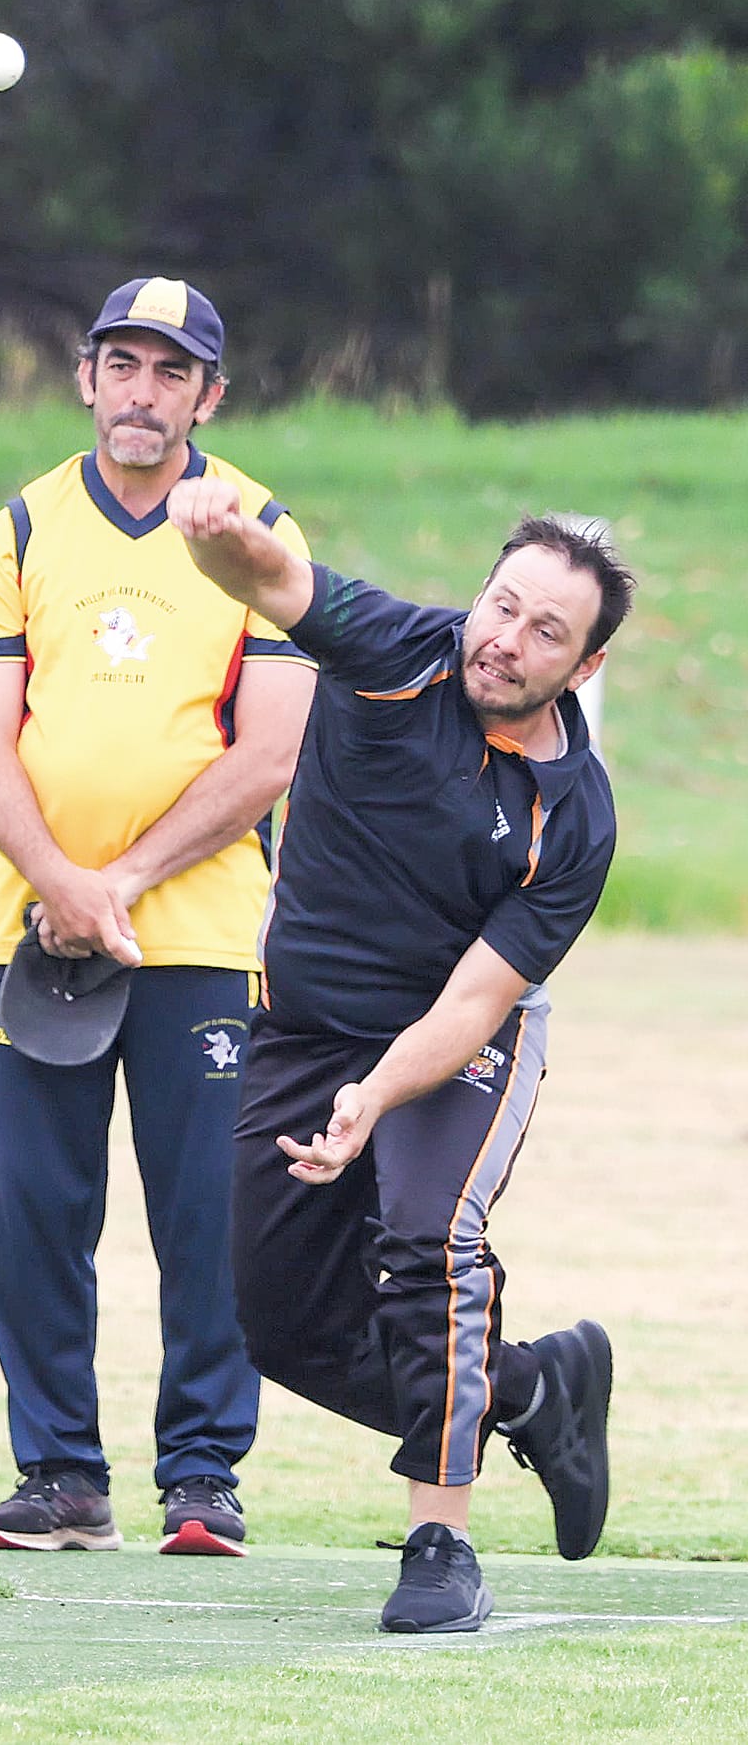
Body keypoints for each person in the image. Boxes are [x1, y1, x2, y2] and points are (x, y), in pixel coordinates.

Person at [166, 479, 633, 1632]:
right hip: (302, 1031)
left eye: (545, 632)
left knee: (428, 1239)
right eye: (501, 605)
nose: (505, 639)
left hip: (452, 1047)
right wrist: (217, 540)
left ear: (582, 667)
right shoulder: (392, 651)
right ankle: (529, 1388)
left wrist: (372, 1098)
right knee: (281, 1327)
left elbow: (474, 1001)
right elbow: (274, 580)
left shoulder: (573, 817)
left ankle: (440, 1545)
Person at [0, 277, 317, 1555]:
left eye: (170, 373)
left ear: (207, 396)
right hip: (32, 930)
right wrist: (59, 883)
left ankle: (202, 1476)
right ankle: (59, 1476)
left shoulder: (256, 528)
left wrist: (117, 880)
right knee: (36, 1211)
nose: (140, 394)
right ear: (85, 377)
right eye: (121, 365)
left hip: (202, 930)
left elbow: (269, 754)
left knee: (206, 1211)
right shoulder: (21, 528)